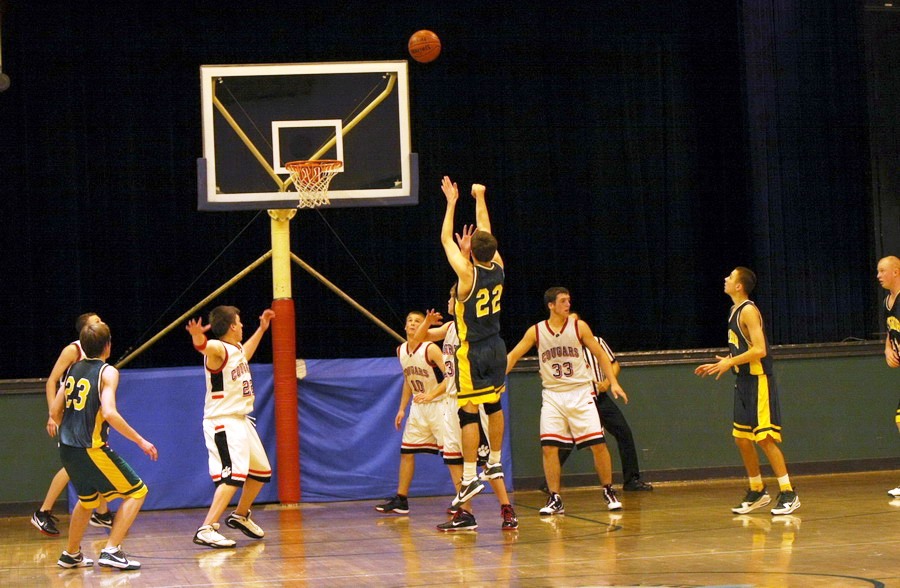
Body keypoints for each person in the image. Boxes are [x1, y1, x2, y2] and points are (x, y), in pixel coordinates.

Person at [506, 287, 626, 515]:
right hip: (553, 395)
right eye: (562, 301)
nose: (567, 305)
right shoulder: (536, 331)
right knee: (549, 448)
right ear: (550, 305)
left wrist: (613, 382)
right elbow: (513, 355)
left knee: (598, 445)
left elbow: (601, 355)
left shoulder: (579, 327)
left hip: (581, 392)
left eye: (569, 300)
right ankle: (555, 497)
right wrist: (497, 380)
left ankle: (608, 490)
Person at [50, 321, 157, 570]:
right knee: (138, 492)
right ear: (108, 346)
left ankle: (71, 553)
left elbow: (55, 412)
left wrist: (73, 426)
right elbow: (109, 412)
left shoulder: (73, 368)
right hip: (91, 448)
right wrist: (140, 440)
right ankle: (111, 550)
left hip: (67, 447)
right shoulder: (107, 372)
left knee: (87, 500)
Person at [694, 267, 801, 515]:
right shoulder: (734, 310)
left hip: (758, 380)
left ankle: (788, 492)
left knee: (764, 438)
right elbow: (742, 348)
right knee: (742, 438)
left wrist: (730, 362)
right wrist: (725, 362)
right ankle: (757, 490)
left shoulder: (749, 310)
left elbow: (760, 349)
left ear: (739, 286)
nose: (725, 279)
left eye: (730, 277)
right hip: (742, 381)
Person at [411, 287, 518, 531]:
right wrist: (426, 322)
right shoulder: (450, 327)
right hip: (450, 402)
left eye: (451, 297)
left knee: (485, 462)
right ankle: (466, 513)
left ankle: (506, 507)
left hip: (470, 401)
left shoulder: (475, 330)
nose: (448, 301)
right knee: (453, 460)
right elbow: (417, 341)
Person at [439, 177, 508, 510]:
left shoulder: (467, 276)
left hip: (473, 350)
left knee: (467, 411)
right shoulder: (499, 267)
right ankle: (494, 460)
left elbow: (445, 239)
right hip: (497, 346)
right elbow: (486, 229)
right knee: (493, 405)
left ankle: (468, 477)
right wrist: (480, 196)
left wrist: (452, 202)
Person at [186, 305, 275, 548]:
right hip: (223, 420)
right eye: (240, 321)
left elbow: (245, 353)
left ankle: (240, 515)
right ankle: (206, 528)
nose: (243, 325)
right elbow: (206, 346)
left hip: (241, 420)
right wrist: (197, 337)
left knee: (261, 471)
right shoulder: (218, 348)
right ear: (233, 326)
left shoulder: (235, 350)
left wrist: (262, 329)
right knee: (233, 476)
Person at [542, 313, 653, 493]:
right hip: (577, 399)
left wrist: (607, 383)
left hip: (600, 398)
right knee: (566, 441)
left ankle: (631, 480)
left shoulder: (597, 342)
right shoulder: (560, 347)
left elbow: (614, 364)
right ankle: (550, 483)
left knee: (623, 432)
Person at [33, 312, 115, 536]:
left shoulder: (97, 350)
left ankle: (102, 512)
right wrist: (53, 414)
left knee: (95, 459)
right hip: (70, 414)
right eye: (96, 322)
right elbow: (52, 381)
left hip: (88, 415)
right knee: (76, 465)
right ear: (85, 330)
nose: (101, 323)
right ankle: (43, 512)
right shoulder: (73, 350)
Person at [375, 310, 457, 516]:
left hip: (439, 405)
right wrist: (402, 408)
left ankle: (461, 501)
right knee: (407, 452)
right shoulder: (401, 350)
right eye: (409, 320)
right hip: (418, 408)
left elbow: (451, 376)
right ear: (404, 326)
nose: (412, 324)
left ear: (425, 327)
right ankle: (401, 500)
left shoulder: (431, 348)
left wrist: (432, 394)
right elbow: (408, 380)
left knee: (452, 455)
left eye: (418, 321)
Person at [876, 255, 900, 498]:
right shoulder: (887, 302)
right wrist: (887, 348)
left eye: (883, 271)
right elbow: (891, 330)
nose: (879, 275)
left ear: (896, 271)